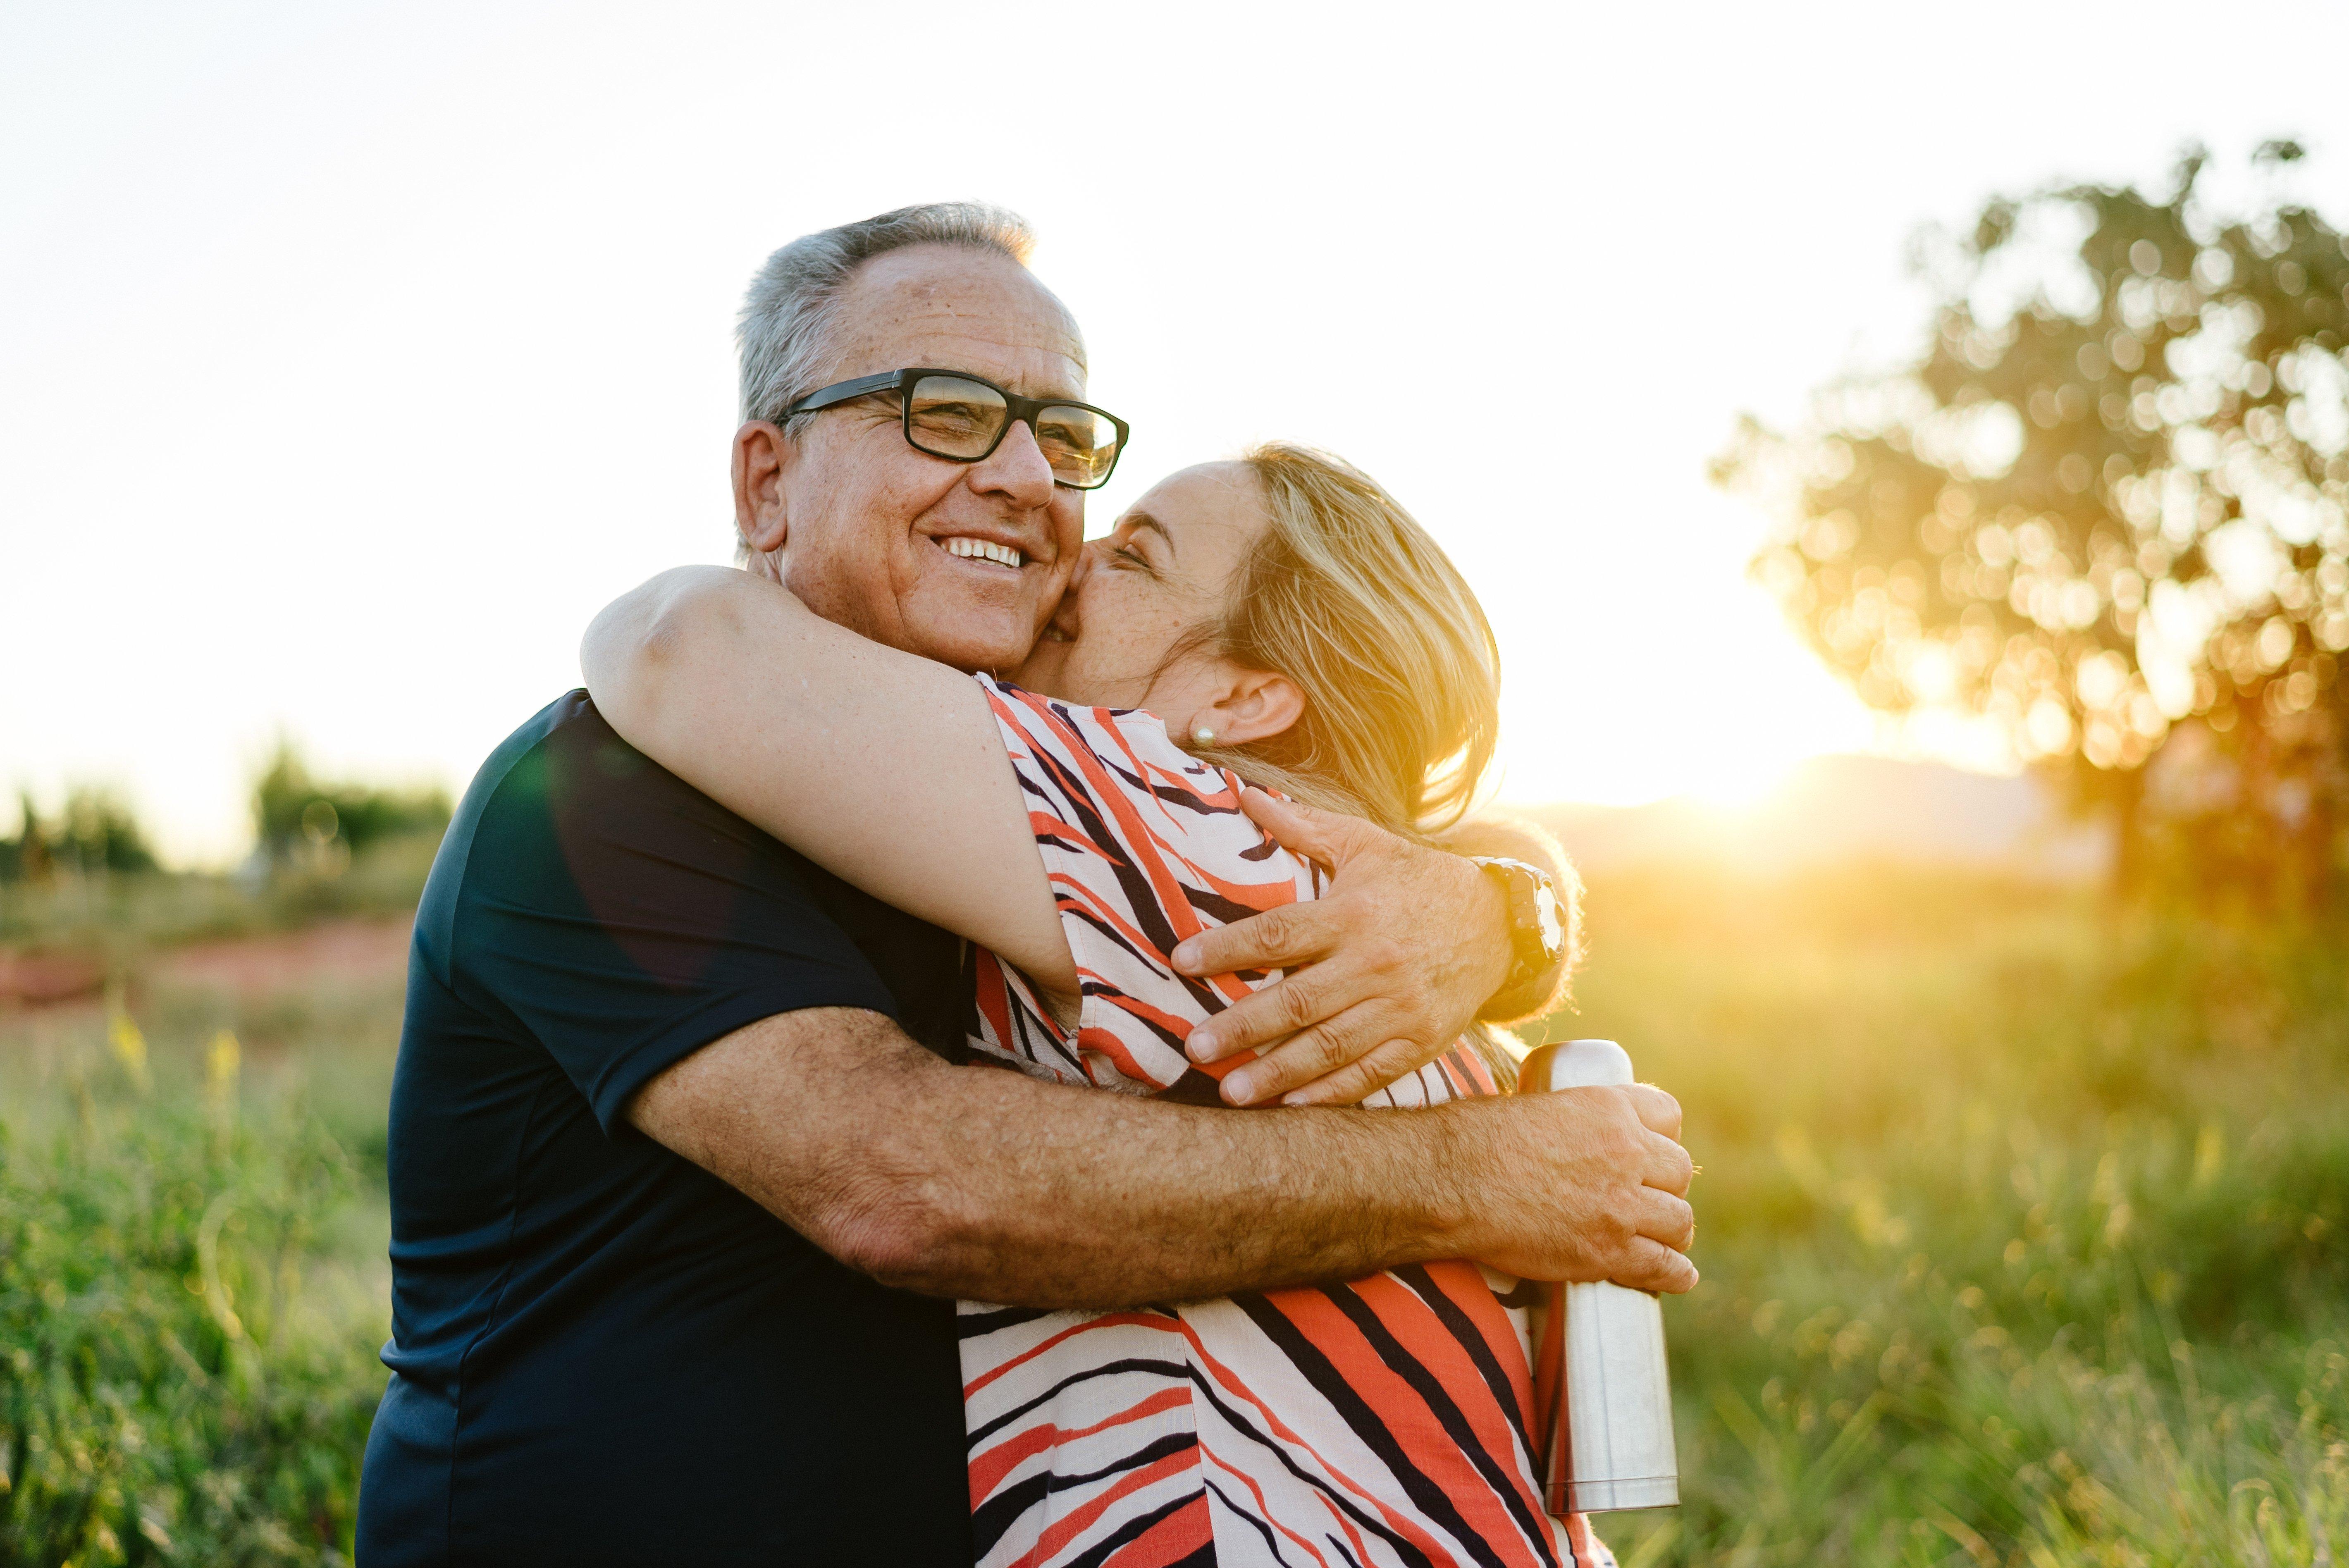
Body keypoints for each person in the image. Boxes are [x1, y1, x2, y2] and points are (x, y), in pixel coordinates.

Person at [356, 203, 1694, 1567]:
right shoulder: (598, 790)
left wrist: (1502, 907)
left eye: (1058, 438)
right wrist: (1474, 1151)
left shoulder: (1144, 818)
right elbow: (906, 1181)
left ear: (1248, 692)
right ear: (765, 483)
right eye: (941, 411)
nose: (1027, 480)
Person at [583, 444, 1632, 1566]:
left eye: (1134, 556)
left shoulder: (1189, 832)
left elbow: (673, 643)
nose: (1074, 562)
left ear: (1245, 694)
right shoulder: (1352, 890)